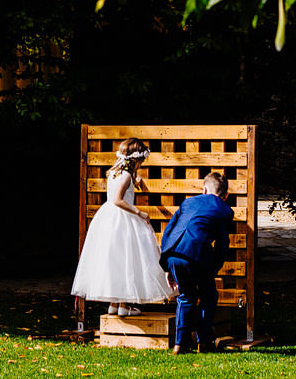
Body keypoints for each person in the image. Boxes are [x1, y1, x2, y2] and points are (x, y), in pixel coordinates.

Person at [71, 138, 166, 317]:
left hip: (108, 220)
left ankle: (114, 304)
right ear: (135, 160)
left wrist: (136, 183)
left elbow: (123, 188)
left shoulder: (114, 174)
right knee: (128, 260)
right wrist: (139, 212)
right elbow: (118, 199)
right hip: (122, 219)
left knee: (116, 260)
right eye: (141, 162)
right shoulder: (126, 176)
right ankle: (124, 304)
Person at [158, 170, 235, 354]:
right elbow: (223, 244)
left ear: (204, 189)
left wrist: (167, 264)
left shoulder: (188, 202)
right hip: (198, 255)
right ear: (225, 195)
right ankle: (204, 341)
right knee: (209, 296)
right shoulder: (224, 210)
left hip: (175, 254)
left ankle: (180, 344)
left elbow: (170, 230)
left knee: (185, 297)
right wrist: (214, 267)